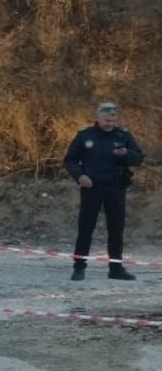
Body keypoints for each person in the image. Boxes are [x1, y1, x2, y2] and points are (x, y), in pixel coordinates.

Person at [64, 102, 144, 281]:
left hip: (115, 187)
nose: (109, 123)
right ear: (98, 118)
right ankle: (79, 267)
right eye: (106, 120)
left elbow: (138, 158)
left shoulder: (123, 135)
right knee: (86, 228)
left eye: (113, 120)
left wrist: (126, 154)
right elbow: (70, 160)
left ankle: (116, 269)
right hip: (91, 187)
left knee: (116, 229)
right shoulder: (85, 136)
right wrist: (79, 177)